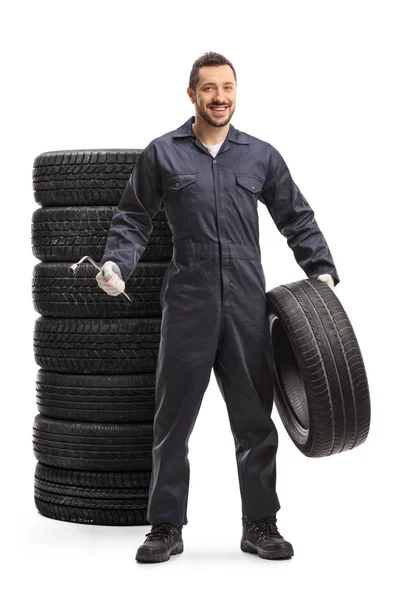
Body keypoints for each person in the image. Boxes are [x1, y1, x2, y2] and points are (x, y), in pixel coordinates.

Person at [97, 51, 339, 564]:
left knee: (255, 420)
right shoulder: (163, 154)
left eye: (227, 87)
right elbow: (133, 218)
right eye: (209, 88)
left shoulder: (260, 156)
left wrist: (319, 269)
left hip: (248, 304)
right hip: (188, 300)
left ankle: (260, 524)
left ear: (236, 92)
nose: (219, 97)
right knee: (172, 420)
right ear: (192, 95)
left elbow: (295, 214)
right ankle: (165, 527)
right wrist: (117, 264)